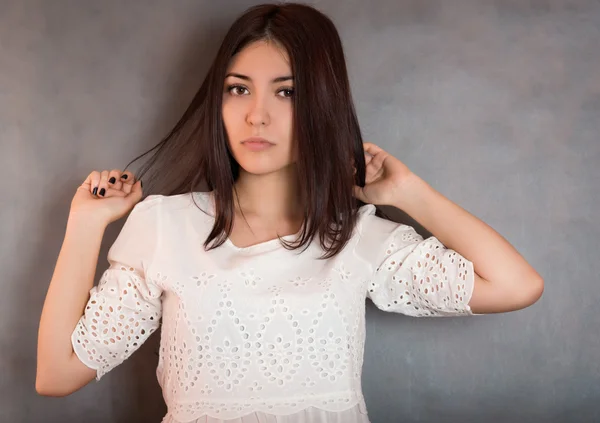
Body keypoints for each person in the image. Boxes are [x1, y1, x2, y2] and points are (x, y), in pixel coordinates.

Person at [36, 3, 544, 422]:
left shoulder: (356, 237)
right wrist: (85, 225)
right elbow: (57, 374)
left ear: (321, 103)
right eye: (239, 88)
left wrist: (409, 192)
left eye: (287, 91)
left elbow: (516, 285)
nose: (258, 113)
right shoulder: (164, 226)